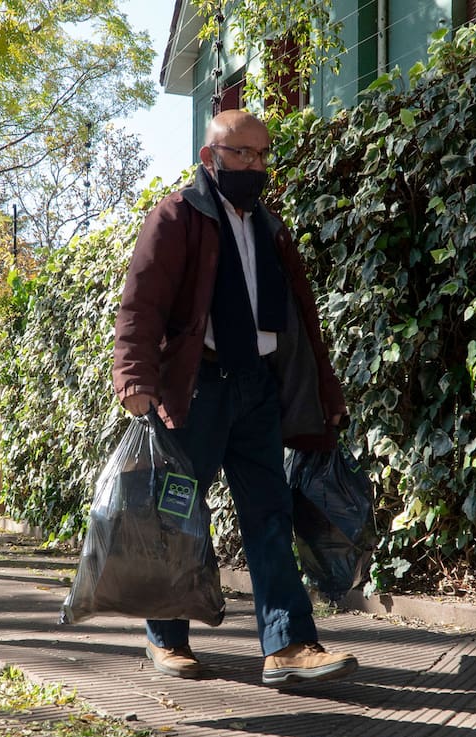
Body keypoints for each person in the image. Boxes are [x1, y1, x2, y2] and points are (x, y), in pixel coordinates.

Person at [112, 109, 359, 686]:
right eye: (241, 153)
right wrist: (136, 382)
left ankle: (288, 645)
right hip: (195, 389)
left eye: (261, 154)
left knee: (270, 515)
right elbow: (140, 304)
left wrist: (325, 388)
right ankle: (166, 638)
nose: (254, 165)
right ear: (209, 157)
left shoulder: (268, 226)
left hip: (258, 389)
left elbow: (302, 318)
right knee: (176, 512)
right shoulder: (178, 216)